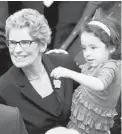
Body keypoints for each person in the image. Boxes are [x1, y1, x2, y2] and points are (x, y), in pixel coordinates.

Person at [0, 8, 80, 134]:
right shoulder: (4, 88)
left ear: (42, 45)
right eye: (13, 43)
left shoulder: (64, 63)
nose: (16, 50)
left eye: (25, 42)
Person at [50, 16, 121, 134]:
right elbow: (81, 71)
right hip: (81, 116)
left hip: (91, 123)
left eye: (93, 48)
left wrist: (68, 73)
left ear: (111, 48)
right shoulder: (94, 63)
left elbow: (100, 84)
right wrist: (63, 56)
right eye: (84, 48)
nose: (87, 53)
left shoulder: (111, 66)